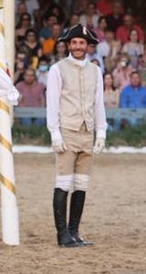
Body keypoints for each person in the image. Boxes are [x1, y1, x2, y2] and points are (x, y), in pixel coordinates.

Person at [45, 24, 107, 247]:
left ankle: (74, 231)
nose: (78, 46)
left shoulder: (96, 71)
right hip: (67, 131)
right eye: (74, 43)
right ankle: (62, 234)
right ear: (68, 45)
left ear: (87, 46)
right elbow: (52, 102)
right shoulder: (57, 69)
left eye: (82, 42)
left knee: (81, 184)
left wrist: (101, 131)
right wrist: (54, 132)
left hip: (87, 132)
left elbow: (98, 102)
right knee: (63, 182)